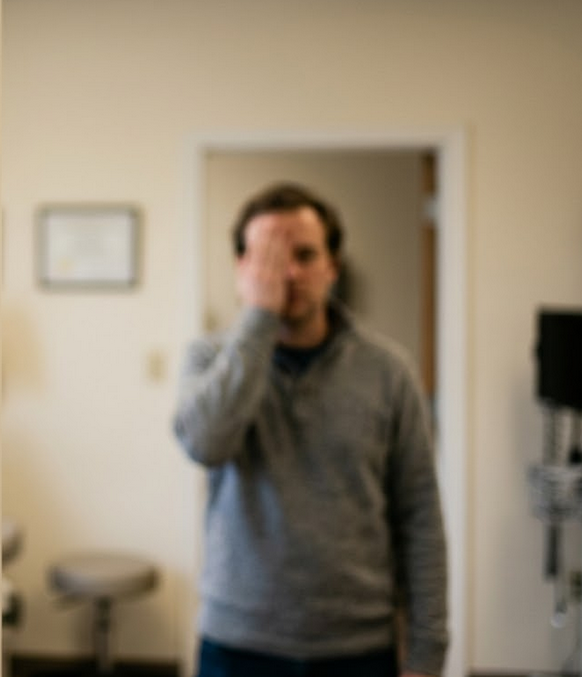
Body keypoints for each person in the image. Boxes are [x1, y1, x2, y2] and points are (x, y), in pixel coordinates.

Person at [172, 183, 448, 677]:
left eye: (303, 254)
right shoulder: (208, 359)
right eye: (267, 257)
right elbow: (205, 444)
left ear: (333, 267)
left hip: (357, 646)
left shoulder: (389, 372)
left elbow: (420, 513)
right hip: (237, 643)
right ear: (241, 270)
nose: (288, 273)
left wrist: (427, 650)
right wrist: (258, 318)